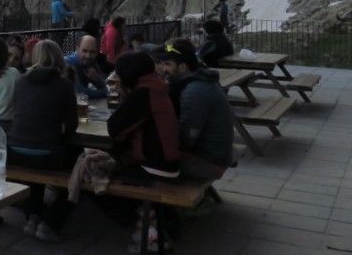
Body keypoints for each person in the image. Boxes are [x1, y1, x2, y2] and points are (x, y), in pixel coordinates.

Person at [7, 39, 80, 243]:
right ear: (58, 58)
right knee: (81, 164)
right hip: (49, 155)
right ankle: (51, 222)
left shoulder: (21, 81)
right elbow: (72, 125)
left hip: (15, 151)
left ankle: (33, 215)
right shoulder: (64, 85)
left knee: (33, 158)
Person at [157, 39, 234, 179]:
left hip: (209, 163)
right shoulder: (199, 80)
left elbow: (186, 139)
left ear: (182, 67)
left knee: (141, 160)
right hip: (214, 156)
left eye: (168, 64)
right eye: (162, 64)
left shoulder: (194, 91)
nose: (164, 69)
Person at [107, 51, 180, 179]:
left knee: (99, 170)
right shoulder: (157, 86)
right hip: (169, 163)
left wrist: (123, 93)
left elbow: (114, 128)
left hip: (155, 167)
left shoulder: (144, 93)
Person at [65, 35, 108, 99]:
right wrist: (104, 92)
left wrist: (96, 79)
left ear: (97, 52)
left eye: (92, 52)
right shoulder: (68, 63)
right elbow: (79, 92)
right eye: (84, 51)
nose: (88, 56)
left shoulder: (93, 63)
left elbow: (105, 87)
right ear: (77, 49)